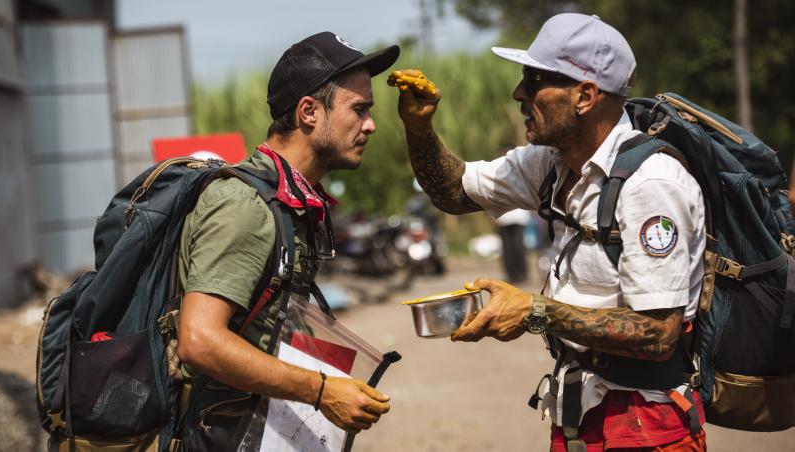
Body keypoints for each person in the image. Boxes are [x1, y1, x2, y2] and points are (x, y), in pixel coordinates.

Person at [392, 13, 707, 451]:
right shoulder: (548, 162)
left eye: (536, 80)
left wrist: (534, 311)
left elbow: (658, 333)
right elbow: (452, 191)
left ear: (585, 96)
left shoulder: (652, 184)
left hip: (645, 424)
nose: (520, 93)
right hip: (579, 414)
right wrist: (419, 128)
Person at [176, 31, 399, 442]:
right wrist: (320, 390)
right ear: (309, 112)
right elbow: (200, 340)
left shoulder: (291, 200)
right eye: (359, 109)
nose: (371, 125)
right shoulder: (245, 206)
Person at [495, 209, 531, 284]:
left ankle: (521, 274)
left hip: (518, 217)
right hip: (503, 218)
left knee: (518, 246)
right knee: (507, 249)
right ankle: (511, 275)